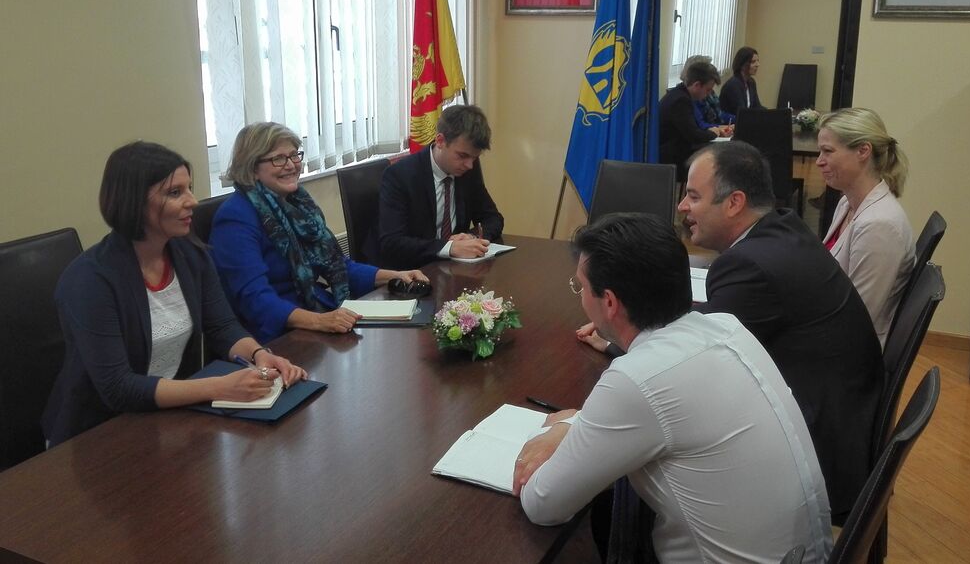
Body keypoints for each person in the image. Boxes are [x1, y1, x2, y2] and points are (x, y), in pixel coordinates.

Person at [516, 213, 832, 563]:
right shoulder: (726, 328)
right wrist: (578, 424)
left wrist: (555, 428)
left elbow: (543, 504)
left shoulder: (636, 379)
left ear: (609, 302)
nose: (580, 298)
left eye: (580, 287)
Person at [42, 142, 307, 446]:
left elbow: (222, 327)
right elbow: (118, 388)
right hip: (96, 436)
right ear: (133, 203)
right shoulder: (90, 279)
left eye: (189, 189)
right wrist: (219, 387)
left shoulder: (191, 255)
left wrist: (260, 355)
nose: (192, 202)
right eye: (175, 193)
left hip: (167, 421)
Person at [677, 141, 883, 523]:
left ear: (735, 202)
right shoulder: (783, 227)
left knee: (661, 448)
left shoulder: (748, 265)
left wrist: (620, 339)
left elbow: (693, 369)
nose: (682, 207)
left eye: (692, 195)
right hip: (842, 421)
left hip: (814, 451)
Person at [210, 123, 428, 342]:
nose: (291, 165)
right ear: (252, 167)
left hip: (315, 312)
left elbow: (337, 266)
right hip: (274, 335)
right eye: (278, 158)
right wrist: (320, 321)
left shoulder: (299, 205)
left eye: (294, 155)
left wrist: (395, 275)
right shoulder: (235, 218)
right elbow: (254, 299)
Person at [818, 108, 915, 348]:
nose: (819, 161)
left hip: (850, 358)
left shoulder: (879, 225)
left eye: (828, 151)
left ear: (863, 151)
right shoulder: (847, 203)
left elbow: (857, 319)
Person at [377, 104, 504, 269]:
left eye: (474, 158)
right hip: (413, 271)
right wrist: (448, 247)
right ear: (440, 141)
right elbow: (392, 242)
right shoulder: (400, 175)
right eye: (463, 156)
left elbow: (493, 218)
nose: (469, 165)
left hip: (455, 269)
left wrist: (471, 239)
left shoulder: (467, 170)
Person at [658, 60, 732, 179]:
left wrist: (712, 130)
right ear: (697, 85)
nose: (708, 94)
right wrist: (713, 133)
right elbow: (693, 135)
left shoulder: (679, 94)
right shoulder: (681, 101)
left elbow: (693, 128)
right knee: (721, 159)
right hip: (671, 159)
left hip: (676, 152)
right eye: (708, 90)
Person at [681, 55, 735, 129]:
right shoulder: (689, 96)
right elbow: (700, 125)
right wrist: (722, 128)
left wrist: (738, 119)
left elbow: (719, 113)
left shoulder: (708, 91)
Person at [719, 46, 764, 117]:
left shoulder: (751, 82)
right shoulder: (733, 85)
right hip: (732, 124)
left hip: (745, 122)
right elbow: (741, 111)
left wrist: (772, 114)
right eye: (753, 62)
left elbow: (757, 106)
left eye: (758, 61)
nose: (757, 65)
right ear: (742, 64)